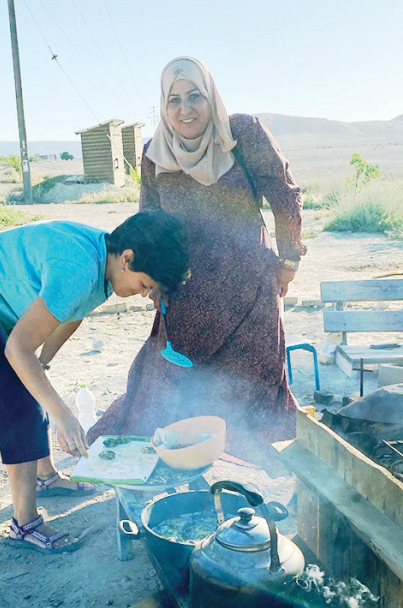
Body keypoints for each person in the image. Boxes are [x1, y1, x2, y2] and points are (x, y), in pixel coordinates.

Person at [88, 56, 307, 464]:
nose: (185, 109)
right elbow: (147, 219)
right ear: (163, 105)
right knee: (172, 380)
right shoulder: (155, 152)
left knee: (249, 379)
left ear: (211, 97)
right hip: (185, 290)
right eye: (174, 100)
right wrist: (153, 282)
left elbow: (284, 194)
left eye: (195, 97)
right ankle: (182, 456)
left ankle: (241, 460)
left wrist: (289, 258)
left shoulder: (243, 134)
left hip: (249, 288)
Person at [0, 211, 189, 552]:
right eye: (146, 285)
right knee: (18, 406)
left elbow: (70, 316)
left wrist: (43, 363)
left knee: (29, 385)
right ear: (128, 259)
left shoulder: (105, 264)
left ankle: (46, 477)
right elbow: (17, 348)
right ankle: (23, 524)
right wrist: (62, 415)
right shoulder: (78, 271)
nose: (145, 295)